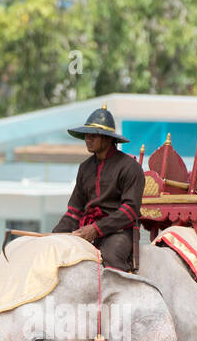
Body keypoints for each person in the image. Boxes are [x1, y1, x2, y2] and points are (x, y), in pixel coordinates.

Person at [52, 106, 145, 272]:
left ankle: (122, 296)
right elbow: (74, 212)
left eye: (93, 135)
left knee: (110, 257)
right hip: (87, 228)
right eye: (86, 135)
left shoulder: (130, 167)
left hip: (119, 232)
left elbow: (130, 210)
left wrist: (96, 229)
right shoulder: (84, 168)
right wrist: (55, 235)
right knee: (52, 248)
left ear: (108, 138)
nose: (88, 139)